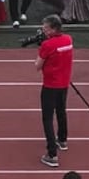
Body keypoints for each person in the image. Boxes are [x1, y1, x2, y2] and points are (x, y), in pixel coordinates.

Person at [35, 14, 73, 168]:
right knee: (61, 111)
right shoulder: (68, 40)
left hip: (50, 85)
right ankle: (62, 140)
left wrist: (42, 48)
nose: (43, 30)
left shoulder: (47, 45)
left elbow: (38, 65)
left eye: (45, 28)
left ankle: (52, 154)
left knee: (47, 118)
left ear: (53, 29)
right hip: (64, 83)